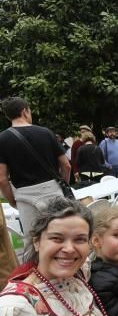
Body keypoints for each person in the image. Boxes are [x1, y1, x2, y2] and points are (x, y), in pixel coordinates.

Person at [0, 97, 71, 236]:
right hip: (53, 191)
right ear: (25, 111)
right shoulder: (46, 132)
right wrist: (63, 185)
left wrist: (13, 201)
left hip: (25, 196)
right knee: (62, 235)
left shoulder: (2, 139)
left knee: (32, 241)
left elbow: (2, 179)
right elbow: (66, 165)